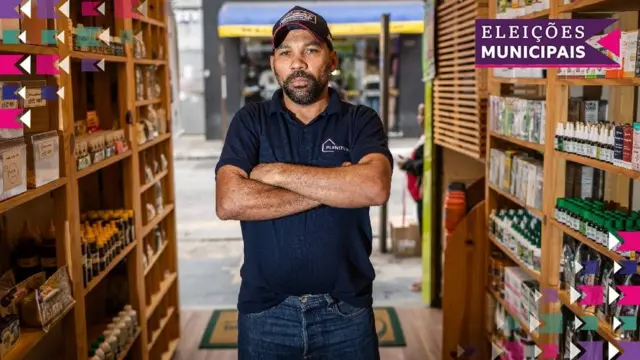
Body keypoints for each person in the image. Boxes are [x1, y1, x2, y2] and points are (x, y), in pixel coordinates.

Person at [214, 5, 393, 360]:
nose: (297, 62)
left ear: (332, 60)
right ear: (274, 65)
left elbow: (373, 187)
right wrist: (338, 185)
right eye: (285, 53)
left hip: (346, 311)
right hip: (266, 311)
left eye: (310, 50)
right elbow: (229, 202)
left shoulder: (360, 120)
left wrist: (276, 173)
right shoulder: (250, 121)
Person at [396, 103, 425, 292]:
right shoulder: (425, 137)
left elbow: (424, 164)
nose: (419, 117)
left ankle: (427, 280)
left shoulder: (432, 138)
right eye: (419, 113)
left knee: (427, 236)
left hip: (425, 194)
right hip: (421, 193)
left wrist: (407, 164)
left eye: (422, 114)